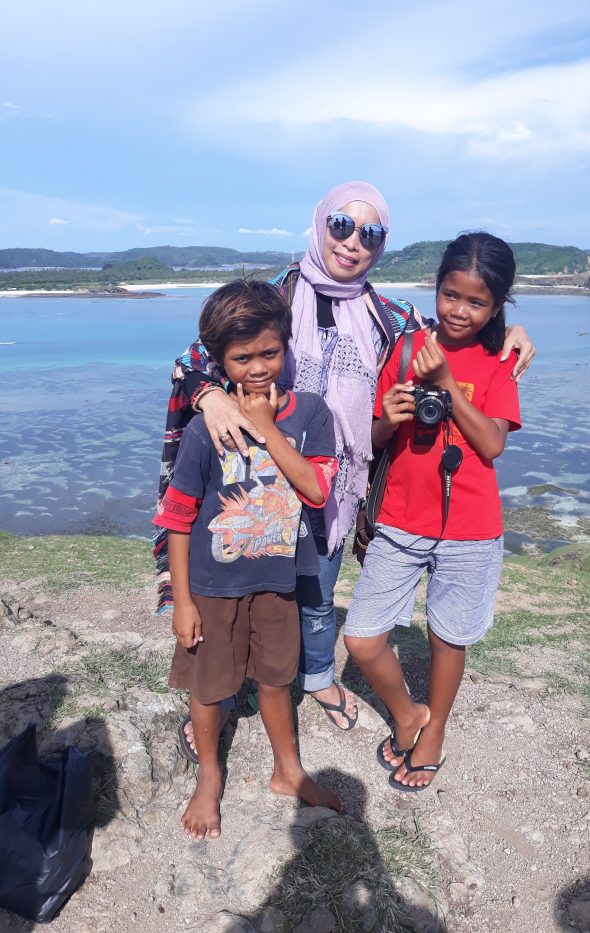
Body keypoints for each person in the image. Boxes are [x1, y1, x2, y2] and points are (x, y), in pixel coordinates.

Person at [155, 181, 535, 754]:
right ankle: (219, 695)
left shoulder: (388, 314)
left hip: (337, 481)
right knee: (239, 589)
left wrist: (512, 332)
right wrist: (209, 395)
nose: (353, 242)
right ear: (318, 223)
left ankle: (318, 678)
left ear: (382, 245)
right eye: (341, 225)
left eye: (371, 233)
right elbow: (201, 352)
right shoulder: (278, 295)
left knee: (314, 590)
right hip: (256, 482)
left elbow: (461, 333)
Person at [153, 280, 342, 840]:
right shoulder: (203, 428)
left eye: (270, 353)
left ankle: (289, 770)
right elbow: (178, 518)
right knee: (209, 686)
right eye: (242, 358)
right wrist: (182, 599)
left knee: (277, 680)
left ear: (286, 346)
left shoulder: (311, 413)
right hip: (212, 586)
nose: (259, 367)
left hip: (277, 581)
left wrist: (265, 426)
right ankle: (209, 775)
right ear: (218, 361)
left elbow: (314, 490)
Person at [344, 232, 521, 791]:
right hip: (399, 518)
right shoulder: (403, 349)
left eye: (477, 302)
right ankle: (407, 713)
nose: (460, 311)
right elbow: (370, 440)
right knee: (363, 638)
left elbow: (492, 445)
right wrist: (392, 417)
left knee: (449, 638)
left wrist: (447, 384)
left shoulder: (500, 359)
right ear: (437, 288)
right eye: (451, 295)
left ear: (497, 306)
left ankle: (435, 728)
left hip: (471, 527)